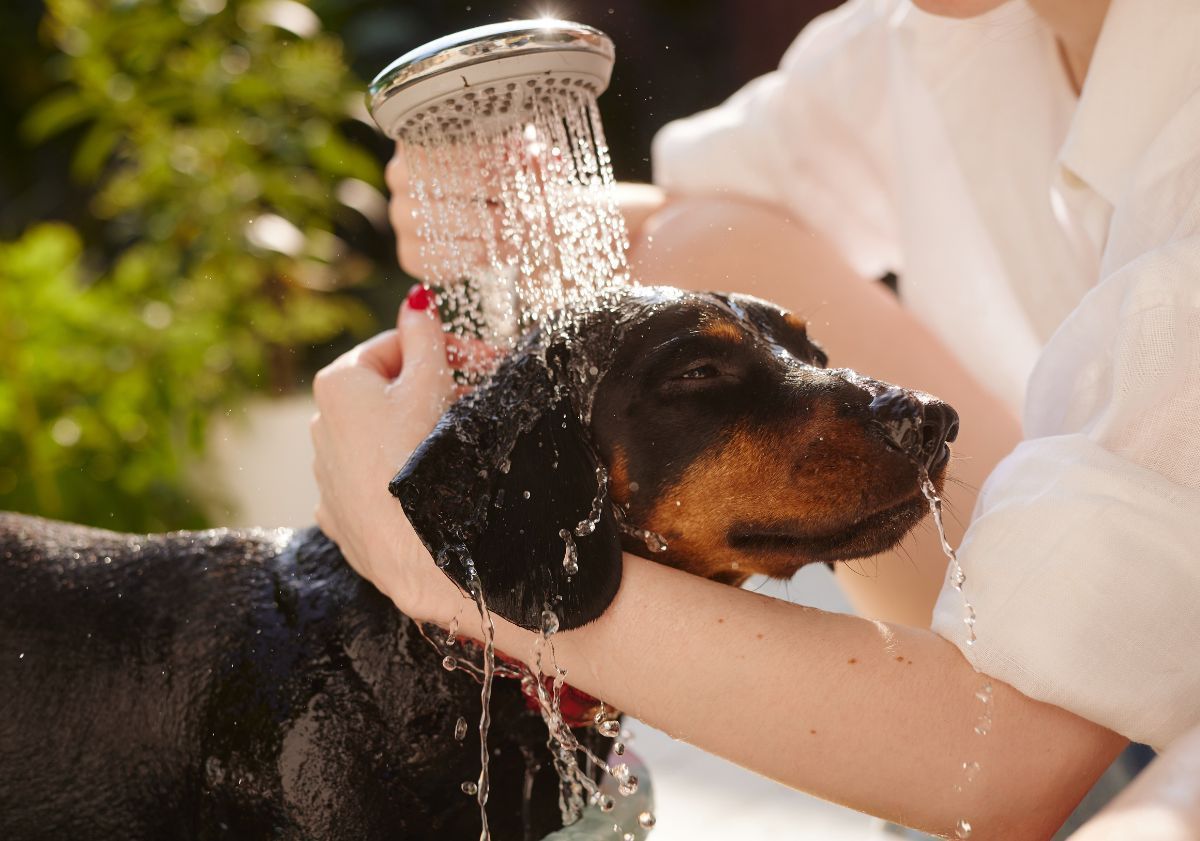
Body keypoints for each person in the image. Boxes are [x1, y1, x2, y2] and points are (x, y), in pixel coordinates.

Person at [309, 0, 1200, 836]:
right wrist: (506, 215)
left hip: (1095, 734)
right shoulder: (935, 35)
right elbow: (675, 234)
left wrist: (445, 567)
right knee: (698, 237)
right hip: (1106, 638)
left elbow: (1005, 755)